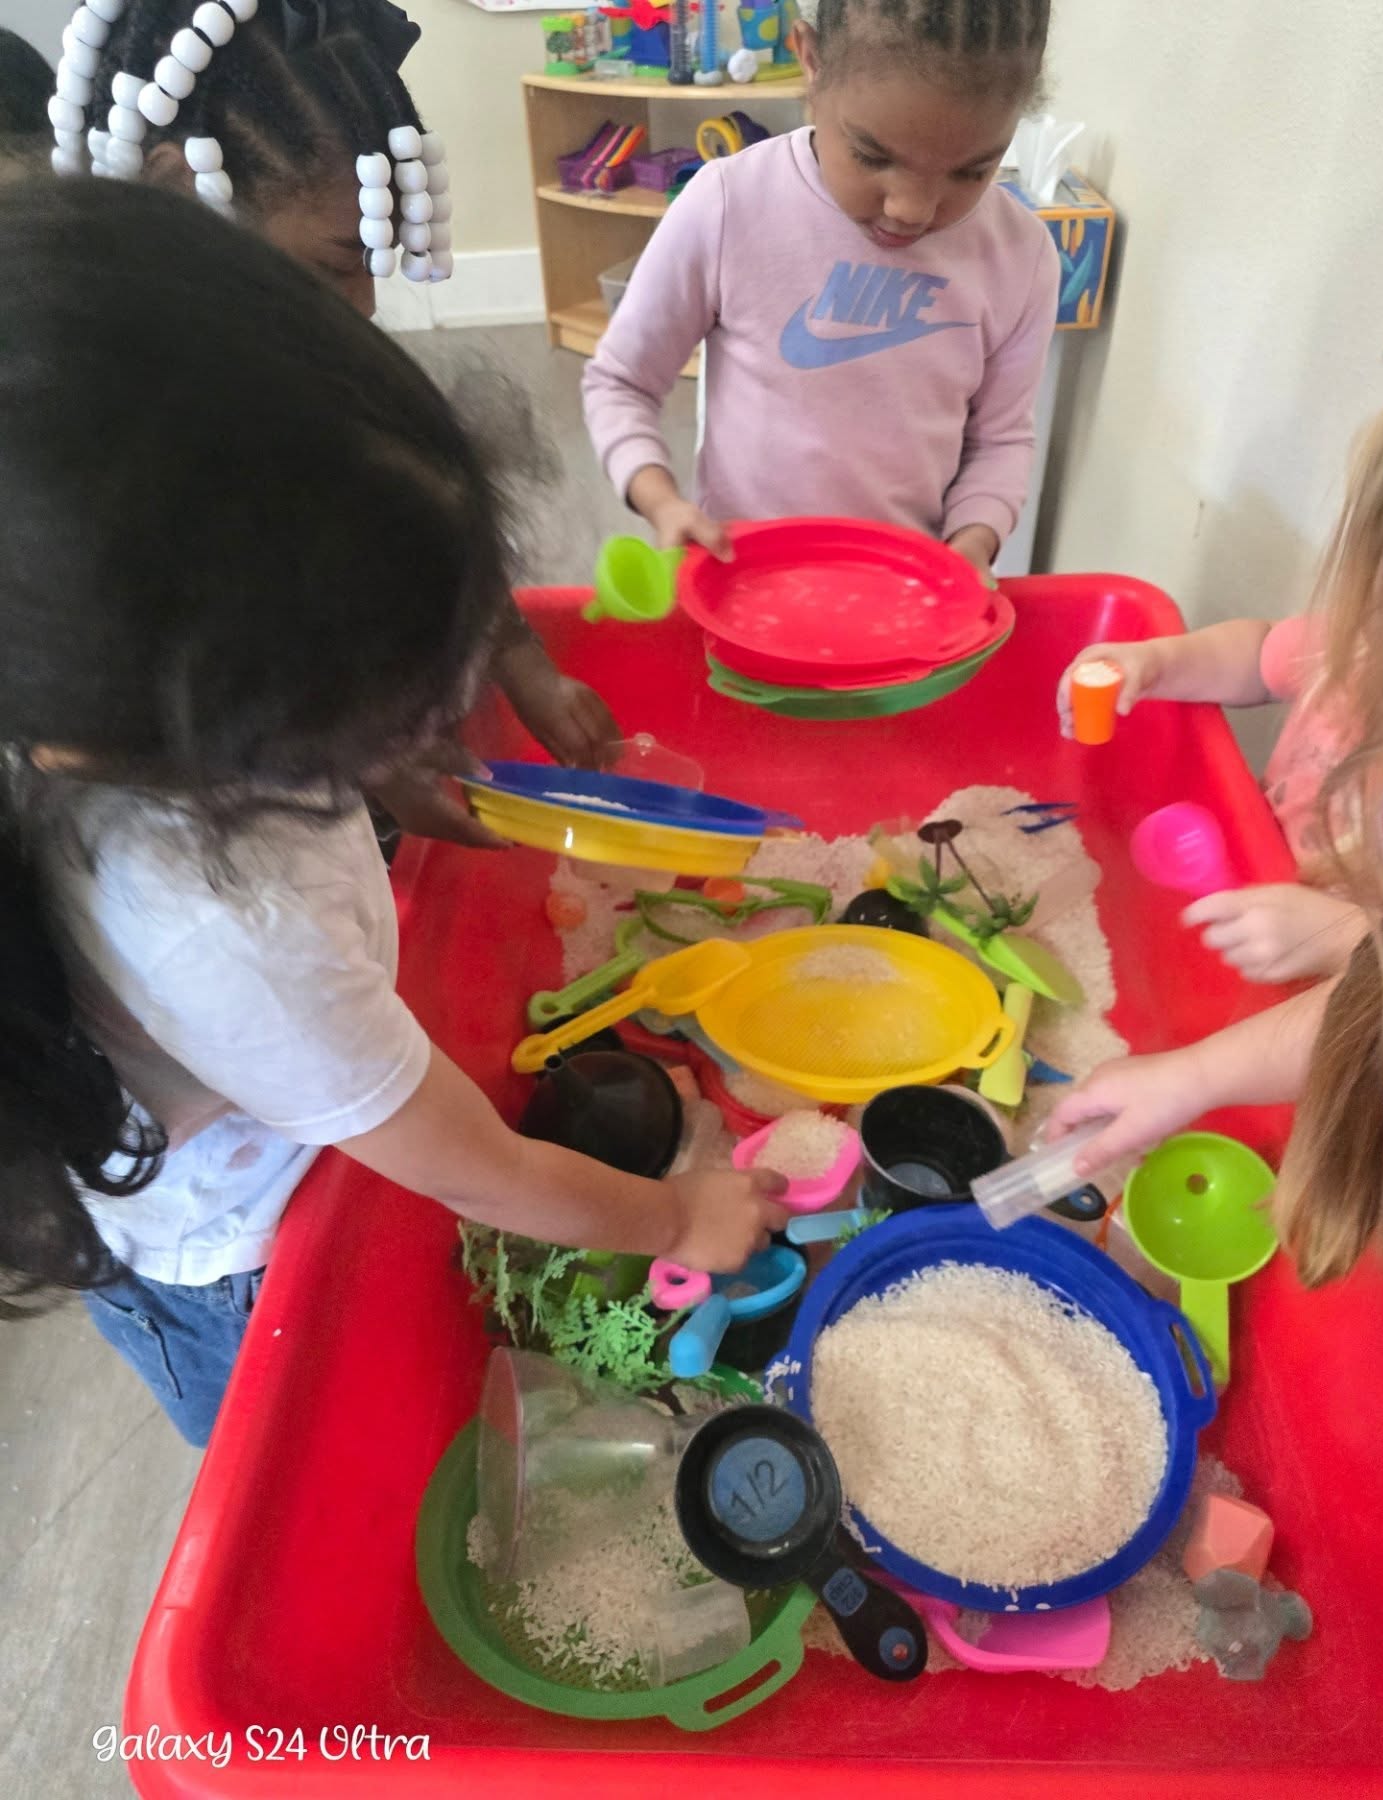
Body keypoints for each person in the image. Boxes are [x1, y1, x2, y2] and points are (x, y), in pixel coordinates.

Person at [0, 176, 786, 1444]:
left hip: (289, 1092)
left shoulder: (131, 718)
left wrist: (373, 771)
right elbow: (484, 1169)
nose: (429, 720)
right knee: (294, 1429)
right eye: (374, 708)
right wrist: (676, 1214)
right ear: (234, 728)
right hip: (238, 1259)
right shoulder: (224, 927)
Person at [44, 0, 615, 842]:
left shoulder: (297, 361)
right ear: (178, 192)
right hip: (216, 843)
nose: (367, 306)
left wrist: (521, 659)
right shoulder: (83, 445)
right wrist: (340, 757)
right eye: (337, 266)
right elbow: (84, 741)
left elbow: (413, 505)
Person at [1049, 382, 1383, 1360]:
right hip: (1278, 947)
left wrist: (1346, 934)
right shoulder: (1355, 645)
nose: (1367, 600)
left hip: (1326, 998)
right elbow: (1259, 651)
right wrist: (1158, 663)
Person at [582, 0, 1060, 575]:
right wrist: (661, 501)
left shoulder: (1021, 257)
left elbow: (1000, 441)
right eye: (872, 156)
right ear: (812, 61)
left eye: (970, 171)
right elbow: (621, 382)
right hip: (745, 582)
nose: (910, 209)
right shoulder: (730, 203)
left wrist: (973, 543)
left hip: (904, 591)